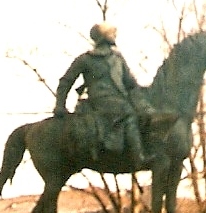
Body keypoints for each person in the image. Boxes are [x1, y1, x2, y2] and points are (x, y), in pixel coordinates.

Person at [53, 22, 152, 168]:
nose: (115, 35)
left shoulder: (118, 58)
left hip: (118, 100)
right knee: (130, 115)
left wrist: (144, 103)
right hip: (100, 102)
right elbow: (66, 81)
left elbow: (131, 84)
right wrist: (59, 106)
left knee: (140, 113)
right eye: (111, 33)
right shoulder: (85, 59)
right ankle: (139, 157)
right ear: (103, 37)